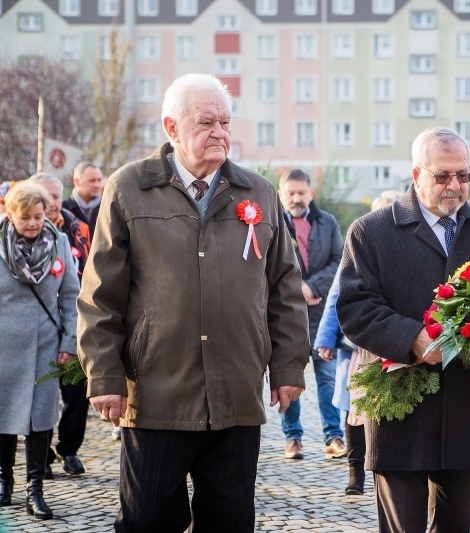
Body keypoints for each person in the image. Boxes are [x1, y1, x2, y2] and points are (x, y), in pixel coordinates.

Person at [76, 73, 309, 532]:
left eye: (225, 122)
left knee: (230, 521)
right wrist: (104, 374)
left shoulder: (258, 192)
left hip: (236, 394)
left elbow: (284, 287)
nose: (220, 133)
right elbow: (101, 294)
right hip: (159, 392)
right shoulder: (128, 188)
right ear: (171, 127)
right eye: (206, 122)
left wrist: (287, 369)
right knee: (147, 521)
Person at [337, 126, 470, 532]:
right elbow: (355, 309)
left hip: (465, 405)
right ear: (417, 173)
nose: (455, 186)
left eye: (464, 176)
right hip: (397, 410)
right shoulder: (371, 231)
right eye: (443, 176)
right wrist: (412, 339)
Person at [314, 190, 403, 496]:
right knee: (354, 411)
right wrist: (326, 338)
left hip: (398, 349)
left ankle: (386, 471)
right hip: (357, 350)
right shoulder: (360, 248)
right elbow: (337, 296)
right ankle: (355, 474)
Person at [0, 181, 80, 519]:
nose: (33, 224)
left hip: (46, 346)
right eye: (25, 218)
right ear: (10, 214)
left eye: (37, 216)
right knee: (3, 417)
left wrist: (70, 342)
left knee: (40, 419)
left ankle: (36, 489)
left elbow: (71, 298)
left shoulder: (59, 243)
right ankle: (5, 482)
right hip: (4, 346)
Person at [278, 169, 345, 461]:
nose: (296, 198)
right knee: (288, 379)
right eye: (291, 193)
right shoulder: (273, 222)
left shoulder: (327, 222)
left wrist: (313, 286)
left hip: (321, 316)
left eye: (301, 193)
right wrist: (297, 290)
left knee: (327, 378)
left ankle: (334, 436)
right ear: (281, 195)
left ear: (310, 194)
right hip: (286, 316)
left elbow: (340, 261)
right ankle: (293, 439)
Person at [29, 173, 91, 477]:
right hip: (37, 327)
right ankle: (40, 454)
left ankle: (68, 449)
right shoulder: (24, 232)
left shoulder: (77, 229)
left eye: (57, 195)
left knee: (76, 391)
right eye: (47, 196)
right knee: (39, 394)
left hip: (75, 318)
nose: (55, 202)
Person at [62, 162, 104, 236]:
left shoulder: (107, 208)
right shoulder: (63, 209)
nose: (97, 185)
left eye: (99, 180)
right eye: (92, 180)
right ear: (77, 181)